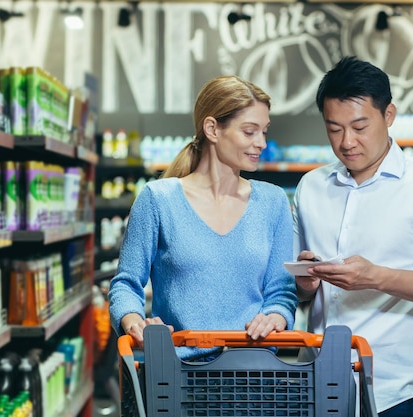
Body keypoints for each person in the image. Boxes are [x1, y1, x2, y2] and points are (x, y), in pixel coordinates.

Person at [292, 56, 413, 416]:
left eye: (360, 126)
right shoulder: (310, 187)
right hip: (313, 380)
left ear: (388, 115)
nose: (347, 142)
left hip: (392, 389)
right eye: (334, 128)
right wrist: (305, 283)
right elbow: (295, 288)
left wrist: (376, 277)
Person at [108, 75, 298, 360]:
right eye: (249, 132)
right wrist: (136, 324)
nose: (261, 143)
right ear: (212, 129)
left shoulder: (273, 203)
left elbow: (281, 291)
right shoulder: (158, 200)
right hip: (175, 376)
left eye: (264, 132)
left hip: (254, 375)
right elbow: (125, 285)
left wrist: (276, 316)